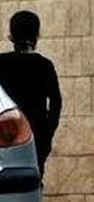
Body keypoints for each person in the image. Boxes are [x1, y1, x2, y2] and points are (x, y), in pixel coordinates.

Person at [0, 11, 61, 179]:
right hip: (35, 138)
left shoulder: (1, 64)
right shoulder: (44, 66)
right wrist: (46, 135)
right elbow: (56, 103)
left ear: (11, 36)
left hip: (6, 138)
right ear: (36, 36)